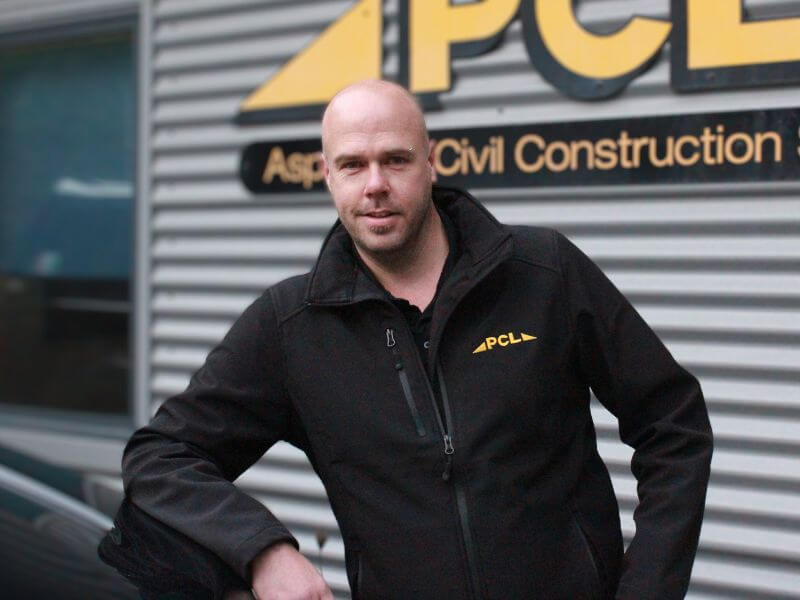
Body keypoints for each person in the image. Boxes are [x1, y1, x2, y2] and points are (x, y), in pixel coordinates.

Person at [120, 79, 713, 599]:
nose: (374, 184)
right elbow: (161, 457)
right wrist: (262, 549)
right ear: (326, 176)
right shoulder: (291, 325)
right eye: (352, 165)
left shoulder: (542, 273)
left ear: (431, 162)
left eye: (395, 160)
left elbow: (674, 425)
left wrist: (648, 589)